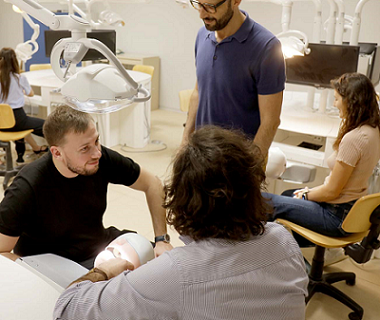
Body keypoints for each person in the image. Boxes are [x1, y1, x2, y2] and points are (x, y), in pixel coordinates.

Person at [53, 126, 308, 320]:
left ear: (183, 200)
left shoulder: (176, 273)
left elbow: (67, 309)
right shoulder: (282, 239)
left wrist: (106, 270)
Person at [0, 105, 173, 268]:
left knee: (168, 265)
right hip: (53, 264)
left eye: (96, 141)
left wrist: (162, 240)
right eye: (85, 149)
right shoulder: (27, 186)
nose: (96, 153)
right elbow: (2, 252)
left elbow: (152, 183)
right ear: (57, 153)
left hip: (98, 248)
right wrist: (44, 274)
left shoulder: (100, 158)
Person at [181, 0, 285, 158]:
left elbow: (270, 121)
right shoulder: (202, 35)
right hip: (202, 154)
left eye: (211, 6)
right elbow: (198, 91)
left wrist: (249, 169)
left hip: (240, 161)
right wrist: (185, 141)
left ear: (236, 0)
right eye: (199, 4)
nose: (202, 14)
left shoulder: (267, 47)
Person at [264, 73, 380, 244]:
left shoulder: (354, 139)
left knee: (263, 201)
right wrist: (306, 193)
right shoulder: (373, 130)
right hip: (351, 211)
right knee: (288, 194)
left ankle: (271, 257)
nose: (334, 104)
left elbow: (332, 191)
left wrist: (305, 196)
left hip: (337, 217)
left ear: (351, 101)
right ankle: (292, 255)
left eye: (337, 99)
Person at [0, 47, 48, 164]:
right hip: (18, 119)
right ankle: (50, 153)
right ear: (14, 61)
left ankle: (30, 151)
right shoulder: (20, 78)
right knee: (46, 125)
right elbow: (30, 93)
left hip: (1, 122)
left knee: (23, 126)